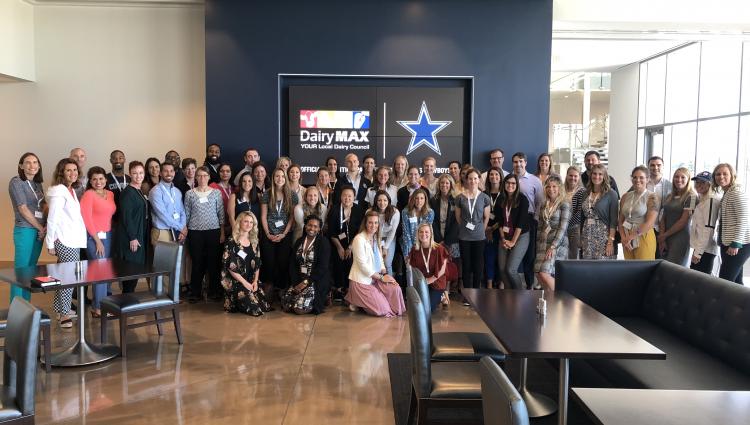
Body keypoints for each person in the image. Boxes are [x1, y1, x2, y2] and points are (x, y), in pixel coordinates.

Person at [46, 158, 86, 328]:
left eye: (75, 170)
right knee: (68, 277)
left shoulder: (70, 190)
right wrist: (50, 243)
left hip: (73, 239)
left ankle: (61, 309)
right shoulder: (59, 191)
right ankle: (63, 314)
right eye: (68, 170)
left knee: (65, 276)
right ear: (61, 172)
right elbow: (52, 218)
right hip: (64, 239)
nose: (73, 173)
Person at [346, 211, 405, 317]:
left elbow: (380, 261)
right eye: (370, 222)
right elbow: (363, 266)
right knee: (382, 309)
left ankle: (368, 301)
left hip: (376, 279)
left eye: (376, 223)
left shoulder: (374, 238)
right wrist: (382, 278)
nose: (373, 225)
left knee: (395, 289)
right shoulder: (359, 239)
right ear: (365, 223)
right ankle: (358, 302)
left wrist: (385, 273)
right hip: (362, 282)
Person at [9, 152, 47, 301]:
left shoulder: (37, 184)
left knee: (30, 270)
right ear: (21, 166)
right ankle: (16, 307)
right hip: (25, 229)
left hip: (39, 231)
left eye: (35, 162)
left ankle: (26, 305)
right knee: (21, 269)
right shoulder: (16, 182)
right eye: (28, 162)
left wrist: (44, 228)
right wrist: (39, 227)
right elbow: (23, 209)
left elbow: (43, 206)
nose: (32, 165)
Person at [80, 166, 117, 316]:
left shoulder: (110, 194)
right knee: (100, 272)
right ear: (90, 181)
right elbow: (87, 219)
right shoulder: (88, 195)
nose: (98, 181)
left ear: (105, 179)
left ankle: (106, 303)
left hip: (108, 235)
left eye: (101, 178)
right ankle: (98, 308)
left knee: (106, 271)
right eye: (94, 179)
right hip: (93, 237)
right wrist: (97, 241)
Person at [184, 167, 225, 302]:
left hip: (214, 231)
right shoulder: (190, 194)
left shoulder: (216, 193)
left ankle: (214, 291)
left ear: (209, 177)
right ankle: (195, 292)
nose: (202, 178)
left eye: (204, 175)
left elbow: (221, 214)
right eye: (199, 176)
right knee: (197, 263)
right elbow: (187, 214)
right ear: (196, 177)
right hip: (195, 232)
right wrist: (186, 230)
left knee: (213, 262)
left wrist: (222, 232)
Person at [220, 211, 272, 316]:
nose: (249, 224)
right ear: (239, 222)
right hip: (237, 282)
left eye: (251, 222)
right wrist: (245, 284)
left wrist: (255, 282)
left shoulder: (254, 241)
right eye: (246, 221)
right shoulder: (231, 241)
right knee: (256, 310)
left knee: (265, 307)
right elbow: (231, 267)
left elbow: (257, 264)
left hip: (250, 280)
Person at [283, 215, 331, 315]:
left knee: (299, 309)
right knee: (286, 305)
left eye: (315, 226)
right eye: (309, 225)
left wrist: (306, 282)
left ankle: (321, 298)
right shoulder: (299, 241)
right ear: (305, 226)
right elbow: (292, 264)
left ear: (319, 229)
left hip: (315, 281)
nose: (312, 228)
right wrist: (296, 282)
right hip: (299, 279)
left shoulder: (323, 242)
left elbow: (323, 267)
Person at [260, 168, 297, 295]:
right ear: (273, 178)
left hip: (285, 234)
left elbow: (292, 217)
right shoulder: (267, 194)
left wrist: (284, 234)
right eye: (277, 176)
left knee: (283, 262)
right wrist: (268, 233)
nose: (279, 178)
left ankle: (282, 289)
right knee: (269, 262)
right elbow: (263, 216)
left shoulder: (292, 195)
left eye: (282, 176)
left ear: (285, 178)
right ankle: (269, 289)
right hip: (268, 234)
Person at [455, 168, 491, 293]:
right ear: (466, 180)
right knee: (466, 264)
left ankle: (477, 291)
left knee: (478, 265)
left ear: (479, 179)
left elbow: (486, 217)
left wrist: (482, 229)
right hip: (464, 237)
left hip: (479, 237)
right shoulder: (459, 198)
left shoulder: (485, 197)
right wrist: (466, 227)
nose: (473, 181)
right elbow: (458, 218)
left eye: (475, 178)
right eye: (470, 178)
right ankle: (467, 294)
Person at [713, 163, 750, 284]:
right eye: (718, 174)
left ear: (732, 175)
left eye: (725, 174)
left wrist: (736, 244)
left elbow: (744, 219)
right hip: (728, 242)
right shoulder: (727, 192)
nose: (721, 177)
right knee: (736, 282)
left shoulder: (736, 193)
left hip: (740, 244)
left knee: (725, 281)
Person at [116, 161, 150, 293]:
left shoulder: (138, 190)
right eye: (135, 173)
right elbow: (126, 217)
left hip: (138, 234)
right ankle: (125, 303)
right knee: (130, 272)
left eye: (141, 173)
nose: (138, 176)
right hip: (131, 237)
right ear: (130, 174)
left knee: (135, 271)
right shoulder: (128, 193)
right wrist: (133, 237)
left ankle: (128, 301)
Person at [326, 186, 364, 301]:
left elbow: (360, 231)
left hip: (354, 243)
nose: (347, 198)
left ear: (354, 197)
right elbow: (331, 231)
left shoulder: (358, 210)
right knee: (338, 261)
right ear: (340, 196)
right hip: (337, 242)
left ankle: (350, 289)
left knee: (351, 262)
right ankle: (338, 289)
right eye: (344, 195)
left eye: (349, 196)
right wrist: (339, 248)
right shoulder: (334, 210)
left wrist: (350, 247)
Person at [513, 152, 544, 289]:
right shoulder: (509, 178)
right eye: (515, 162)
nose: (518, 164)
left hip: (529, 220)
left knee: (529, 254)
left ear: (525, 163)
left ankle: (529, 285)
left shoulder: (534, 180)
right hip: (512, 221)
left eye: (521, 161)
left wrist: (535, 220)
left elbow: (539, 202)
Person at [495, 174, 530, 290]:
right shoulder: (500, 199)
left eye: (513, 183)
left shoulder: (523, 199)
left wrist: (513, 242)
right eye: (508, 183)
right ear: (504, 184)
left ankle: (519, 294)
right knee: (501, 269)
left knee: (511, 269)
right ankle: (509, 294)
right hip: (504, 236)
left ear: (517, 185)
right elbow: (499, 222)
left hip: (520, 236)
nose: (510, 185)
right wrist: (503, 239)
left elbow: (520, 224)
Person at [534, 175, 569, 291]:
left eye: (554, 186)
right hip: (543, 243)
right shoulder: (544, 204)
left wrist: (554, 246)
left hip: (557, 244)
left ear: (559, 188)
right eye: (548, 186)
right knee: (538, 273)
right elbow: (540, 227)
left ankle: (560, 299)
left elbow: (563, 228)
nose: (551, 189)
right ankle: (550, 301)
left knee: (544, 273)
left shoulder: (564, 204)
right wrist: (538, 244)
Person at [658, 168, 698, 266]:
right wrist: (662, 237)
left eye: (682, 177)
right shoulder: (669, 196)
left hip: (680, 238)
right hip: (665, 237)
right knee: (664, 267)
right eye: (676, 176)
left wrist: (664, 235)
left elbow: (683, 221)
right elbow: (663, 217)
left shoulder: (692, 197)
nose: (679, 179)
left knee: (676, 269)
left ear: (688, 179)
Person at [619, 166, 659, 260]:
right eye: (635, 177)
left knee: (644, 269)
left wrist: (631, 237)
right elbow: (620, 220)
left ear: (648, 179)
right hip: (626, 236)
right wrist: (624, 237)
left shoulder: (653, 197)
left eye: (641, 177)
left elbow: (649, 223)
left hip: (643, 235)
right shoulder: (625, 196)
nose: (637, 180)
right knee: (629, 269)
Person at [580, 164, 618, 260]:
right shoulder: (585, 193)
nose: (597, 176)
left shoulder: (611, 194)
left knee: (603, 267)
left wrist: (610, 241)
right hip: (587, 233)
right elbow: (582, 217)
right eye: (594, 174)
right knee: (587, 267)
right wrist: (581, 237)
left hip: (603, 235)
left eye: (600, 174)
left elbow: (614, 221)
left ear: (604, 176)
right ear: (591, 175)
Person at [409, 223, 450, 312]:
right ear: (418, 234)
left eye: (426, 232)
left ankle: (442, 295)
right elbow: (413, 270)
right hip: (422, 283)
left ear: (431, 233)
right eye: (421, 232)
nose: (424, 234)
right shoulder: (414, 249)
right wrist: (420, 283)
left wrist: (431, 279)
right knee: (417, 307)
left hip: (436, 282)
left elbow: (443, 270)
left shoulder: (439, 249)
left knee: (428, 309)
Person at [689, 171, 721, 274]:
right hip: (701, 247)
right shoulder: (703, 200)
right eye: (697, 182)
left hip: (705, 250)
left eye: (702, 182)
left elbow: (708, 229)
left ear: (710, 184)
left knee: (701, 284)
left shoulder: (711, 201)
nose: (698, 185)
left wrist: (698, 253)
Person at [401, 188, 434, 288]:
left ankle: (422, 291)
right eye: (417, 198)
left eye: (422, 198)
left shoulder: (430, 212)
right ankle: (411, 292)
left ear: (425, 200)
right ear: (413, 199)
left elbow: (427, 233)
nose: (419, 201)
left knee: (423, 268)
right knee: (410, 269)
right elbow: (406, 232)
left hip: (424, 245)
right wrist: (410, 253)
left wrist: (422, 248)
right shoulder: (406, 212)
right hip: (408, 245)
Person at [149, 162, 187, 245]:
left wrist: (183, 227)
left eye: (171, 171)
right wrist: (181, 227)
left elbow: (182, 212)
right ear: (160, 173)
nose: (169, 173)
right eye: (166, 171)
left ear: (174, 173)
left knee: (178, 258)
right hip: (162, 232)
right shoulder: (155, 191)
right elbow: (162, 214)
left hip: (178, 232)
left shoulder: (177, 191)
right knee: (163, 258)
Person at [370, 190, 400, 276]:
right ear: (376, 201)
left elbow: (393, 231)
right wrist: (379, 246)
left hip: (389, 238)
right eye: (379, 200)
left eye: (385, 200)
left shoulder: (395, 212)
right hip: (375, 238)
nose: (382, 203)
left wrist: (385, 247)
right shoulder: (370, 212)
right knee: (376, 261)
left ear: (389, 201)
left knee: (387, 263)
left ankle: (390, 286)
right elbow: (371, 231)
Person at [646, 156, 671, 257]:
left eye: (658, 165)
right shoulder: (643, 182)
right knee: (645, 258)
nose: (655, 167)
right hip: (645, 228)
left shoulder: (670, 186)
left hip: (661, 228)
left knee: (660, 258)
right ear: (648, 167)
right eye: (652, 165)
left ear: (663, 167)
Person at [483, 167, 503, 288]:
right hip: (485, 230)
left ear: (500, 177)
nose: (494, 177)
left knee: (501, 259)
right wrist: (486, 229)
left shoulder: (505, 194)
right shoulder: (484, 194)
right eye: (491, 174)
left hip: (500, 231)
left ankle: (501, 283)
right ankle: (489, 284)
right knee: (489, 256)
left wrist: (492, 228)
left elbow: (505, 216)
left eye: (496, 174)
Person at [564, 166, 586, 259]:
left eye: (575, 176)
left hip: (574, 228)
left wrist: (566, 224)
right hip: (562, 228)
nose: (573, 178)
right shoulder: (561, 190)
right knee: (563, 254)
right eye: (570, 175)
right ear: (566, 176)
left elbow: (579, 213)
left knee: (573, 255)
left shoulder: (582, 192)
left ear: (579, 177)